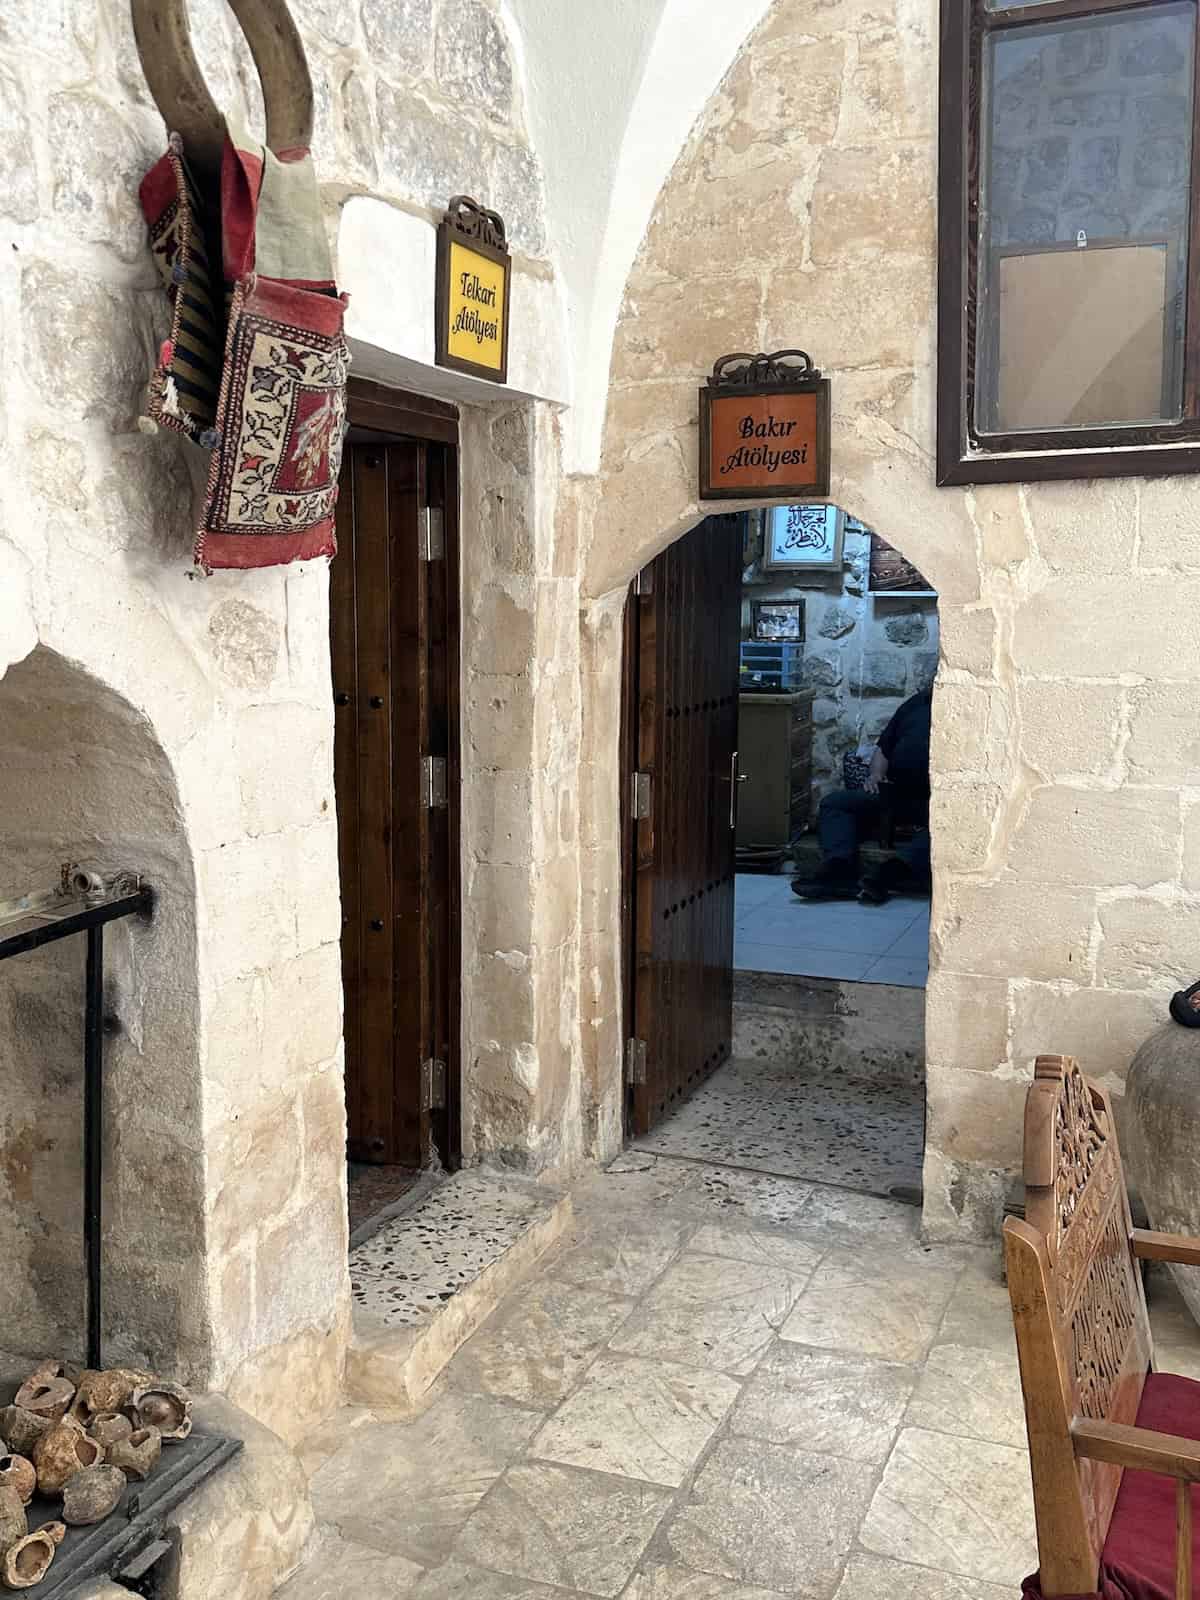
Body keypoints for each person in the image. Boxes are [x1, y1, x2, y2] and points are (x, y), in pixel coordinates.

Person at [791, 686, 932, 904]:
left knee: (948, 828)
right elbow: (884, 748)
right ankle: (840, 871)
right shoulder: (917, 703)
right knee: (836, 803)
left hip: (935, 803)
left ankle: (887, 876)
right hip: (893, 792)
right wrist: (875, 775)